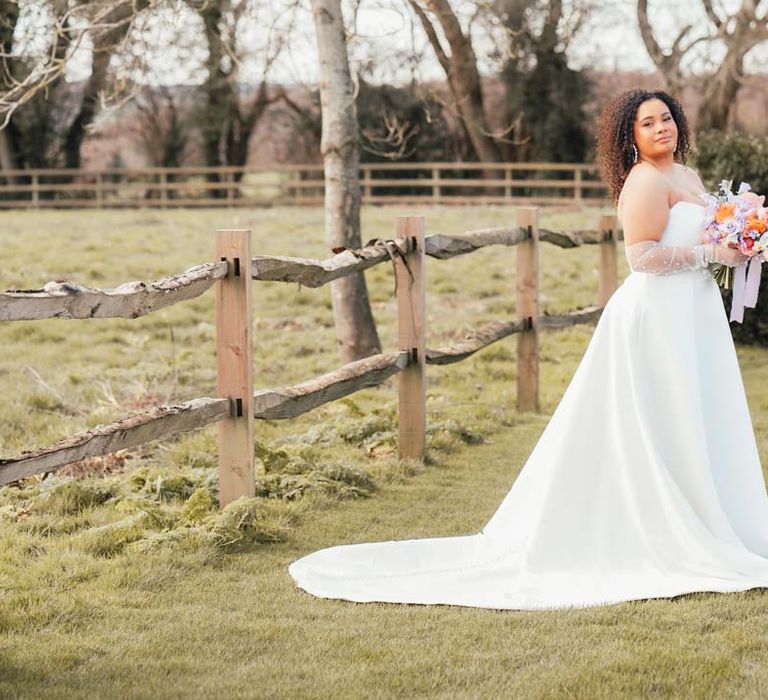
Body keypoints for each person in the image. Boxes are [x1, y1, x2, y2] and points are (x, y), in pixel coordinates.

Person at [288, 89, 768, 610]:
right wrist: (710, 251)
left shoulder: (688, 177)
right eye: (647, 122)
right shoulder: (645, 180)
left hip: (694, 315)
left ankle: (706, 515)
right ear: (630, 136)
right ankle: (663, 526)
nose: (660, 127)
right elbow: (642, 257)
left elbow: (705, 238)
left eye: (667, 118)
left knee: (695, 417)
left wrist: (741, 241)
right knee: (660, 418)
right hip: (658, 318)